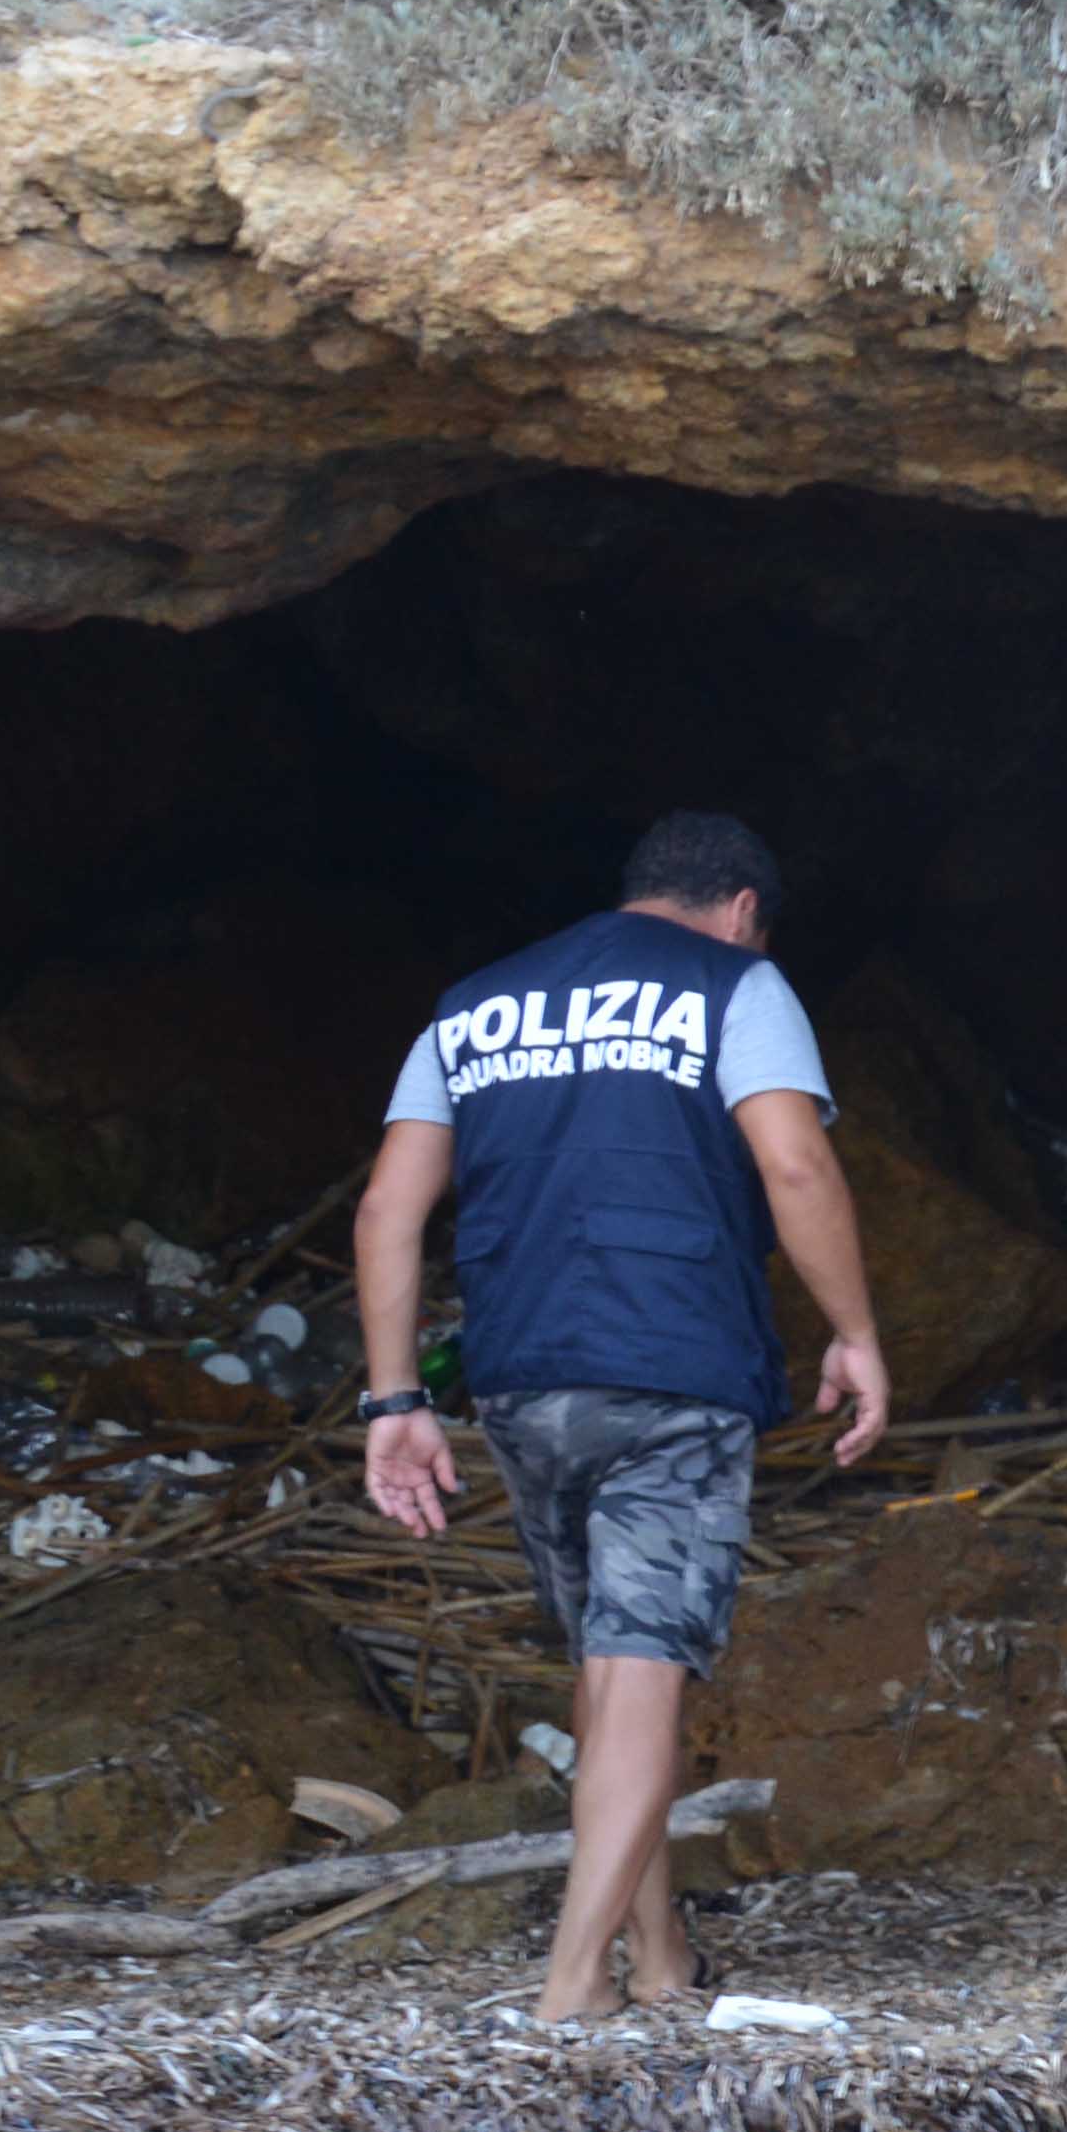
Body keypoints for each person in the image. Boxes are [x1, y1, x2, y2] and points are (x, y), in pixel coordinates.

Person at [356, 812, 893, 2022]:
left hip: (521, 1372)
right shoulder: (737, 985)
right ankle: (566, 1995)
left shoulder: (477, 1002)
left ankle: (659, 1963)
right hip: (672, 1370)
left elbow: (390, 1207)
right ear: (745, 907)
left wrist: (395, 1397)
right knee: (642, 1671)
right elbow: (796, 1165)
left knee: (608, 1673)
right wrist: (853, 1332)